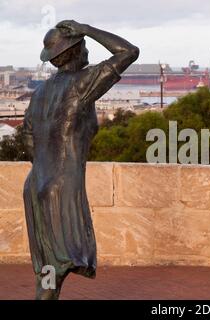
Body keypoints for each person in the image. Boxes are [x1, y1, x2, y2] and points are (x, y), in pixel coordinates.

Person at [22, 20, 139, 300]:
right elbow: (128, 53)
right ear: (75, 51)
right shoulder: (82, 84)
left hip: (36, 187)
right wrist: (86, 28)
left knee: (48, 272)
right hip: (61, 190)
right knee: (56, 268)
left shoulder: (39, 93)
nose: (87, 50)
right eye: (83, 45)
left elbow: (29, 140)